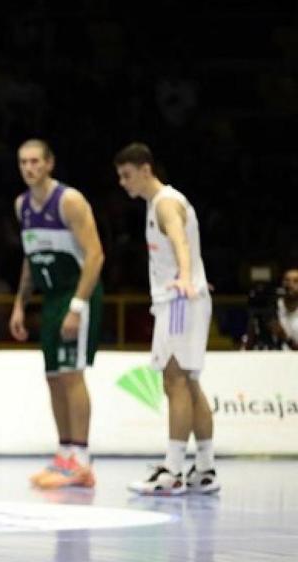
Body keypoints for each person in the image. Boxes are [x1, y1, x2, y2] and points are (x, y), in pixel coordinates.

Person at [115, 142, 220, 495]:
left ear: (146, 170)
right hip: (185, 298)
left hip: (179, 300)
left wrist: (186, 277)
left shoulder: (165, 204)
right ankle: (205, 469)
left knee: (174, 381)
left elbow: (180, 240)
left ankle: (173, 471)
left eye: (127, 175)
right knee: (189, 383)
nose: (123, 182)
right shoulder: (157, 204)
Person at [9, 139, 105, 489]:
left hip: (76, 293)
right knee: (53, 376)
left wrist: (77, 307)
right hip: (50, 298)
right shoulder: (22, 206)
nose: (29, 167)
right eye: (23, 162)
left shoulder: (70, 200)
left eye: (35, 161)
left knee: (71, 375)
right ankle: (65, 455)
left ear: (49, 163)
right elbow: (30, 257)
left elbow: (95, 256)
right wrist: (20, 303)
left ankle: (82, 458)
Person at [272, 268, 298, 350]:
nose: (290, 284)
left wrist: (285, 338)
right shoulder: (273, 308)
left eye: (296, 281)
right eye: (287, 280)